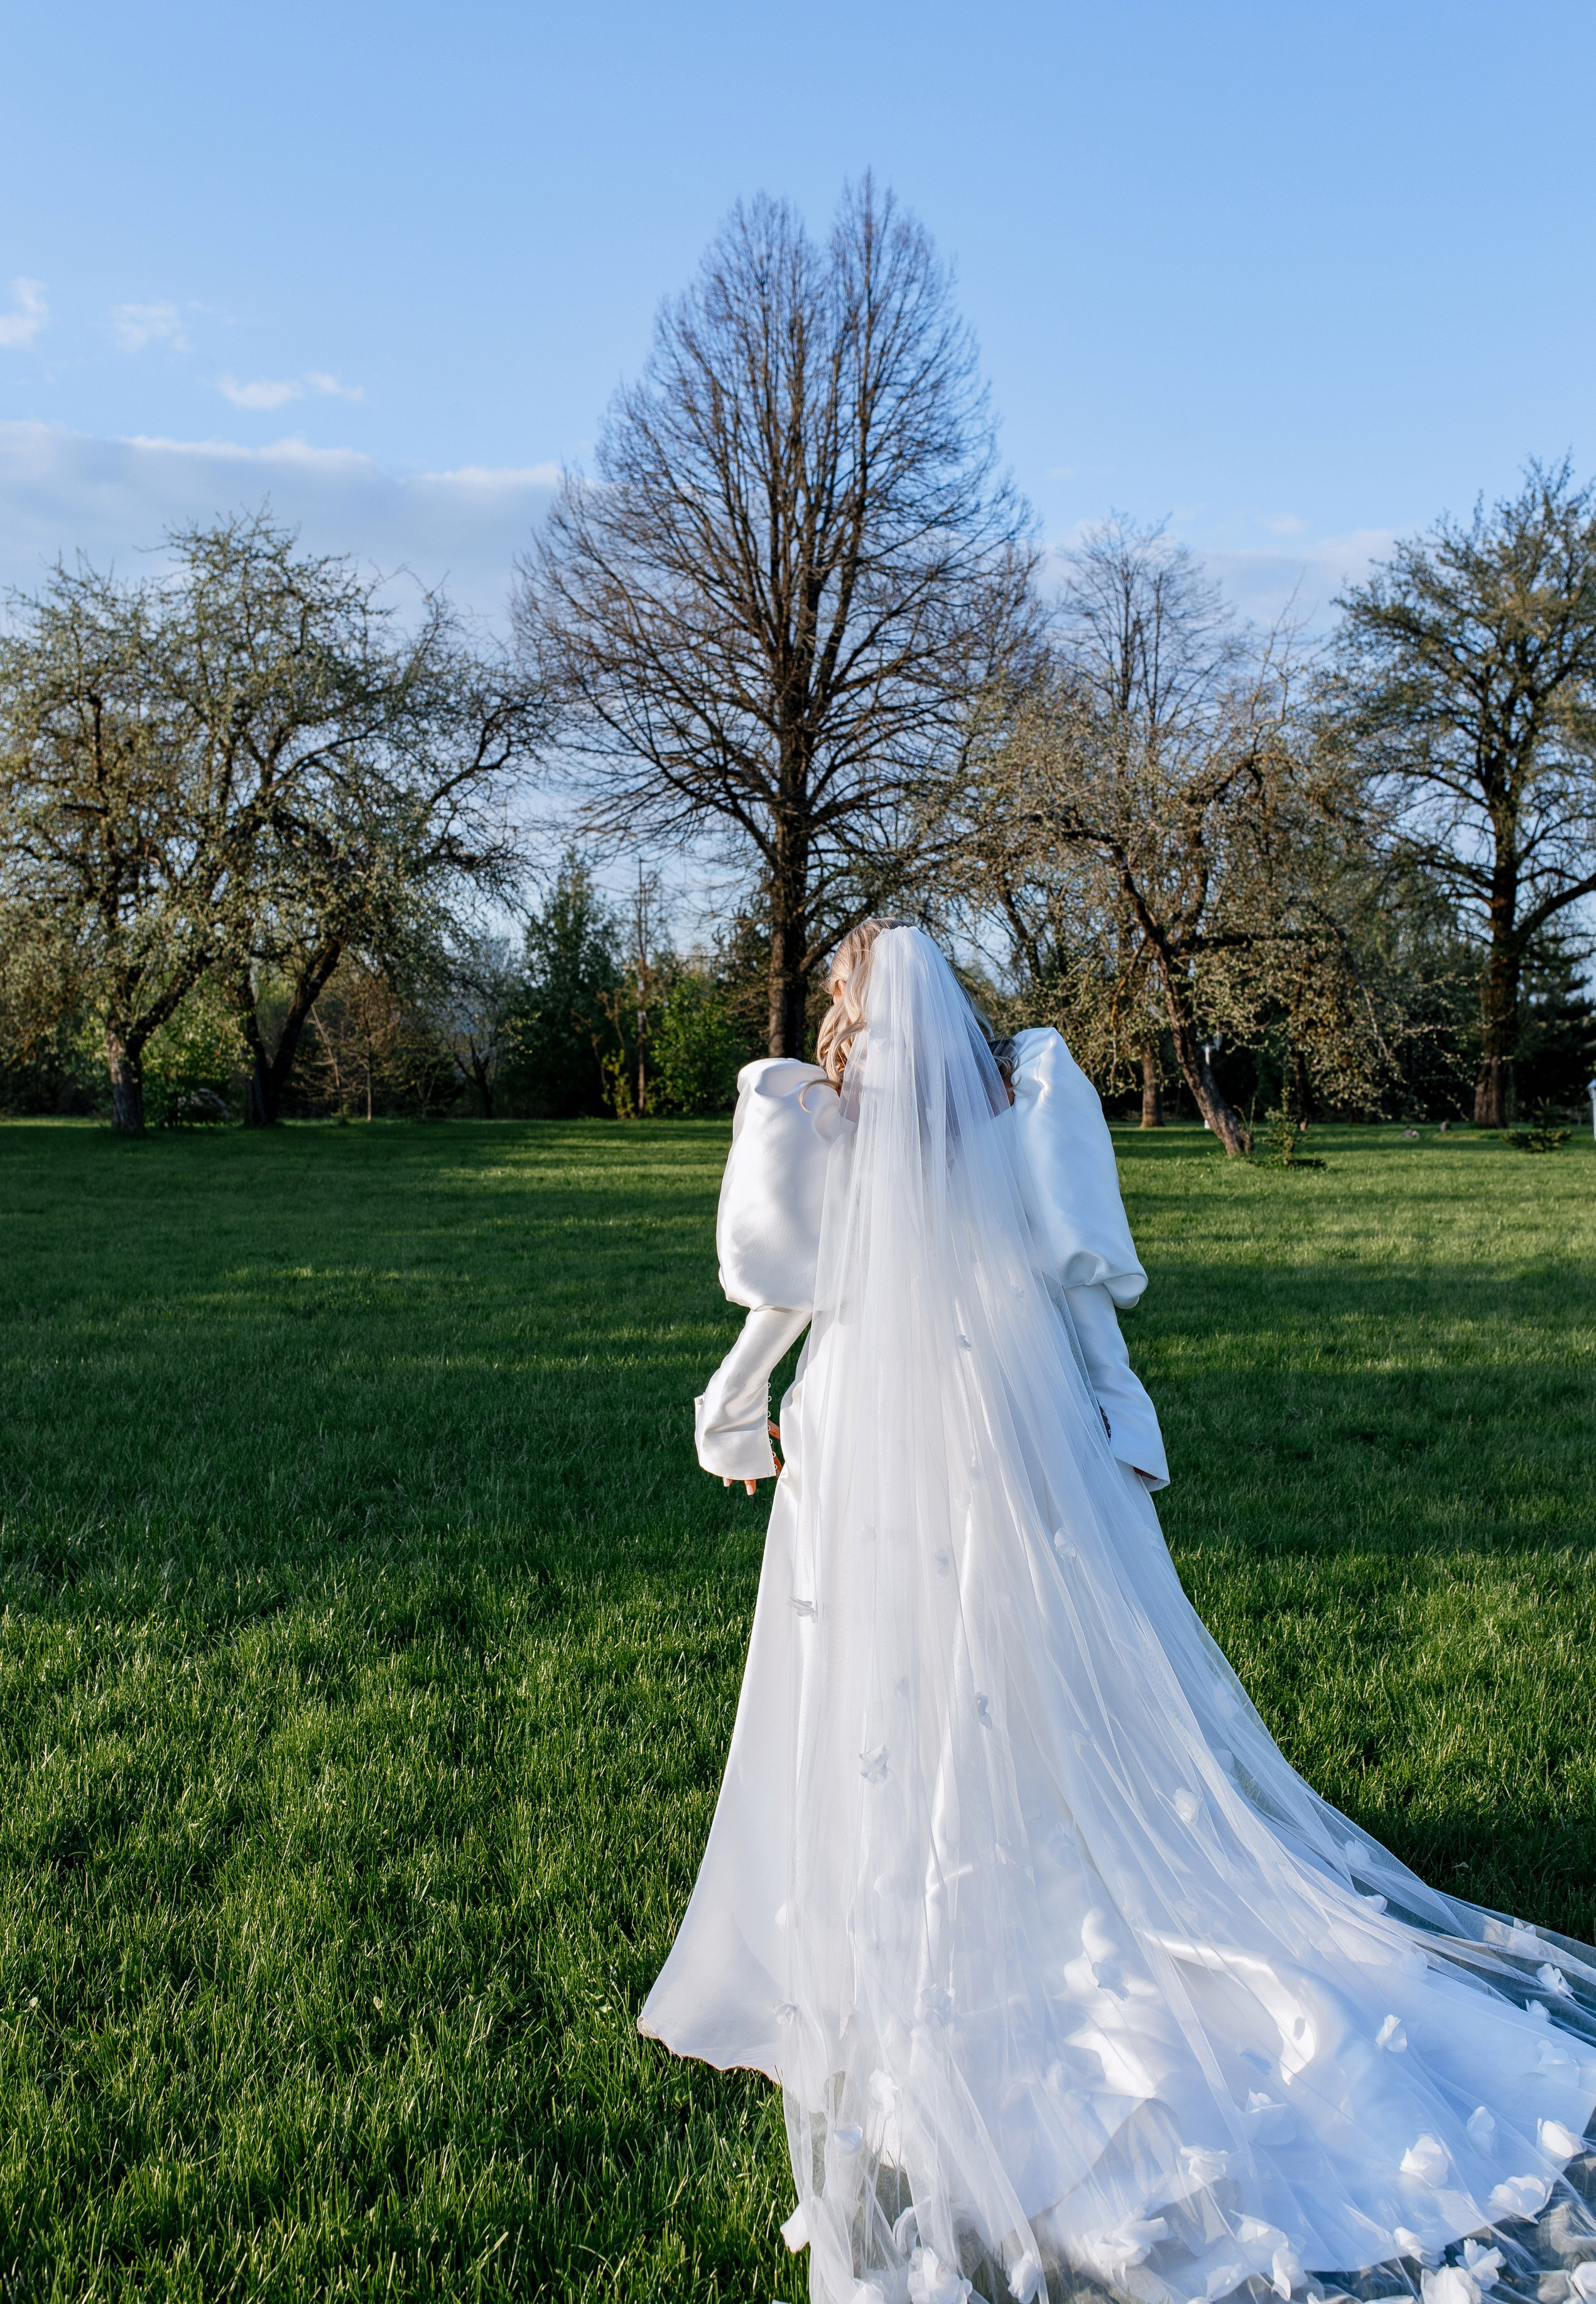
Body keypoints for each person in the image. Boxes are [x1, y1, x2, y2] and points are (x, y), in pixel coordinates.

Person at [641, 921, 1596, 2304]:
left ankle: (916, 1876)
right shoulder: (1017, 1101)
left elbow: (794, 1292)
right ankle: (1023, 1829)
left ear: (849, 1006)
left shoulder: (817, 1114)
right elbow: (1069, 1272)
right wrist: (1113, 1399)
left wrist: (728, 1403)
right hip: (1006, 1403)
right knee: (1017, 1638)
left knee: (886, 1649)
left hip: (870, 1416)